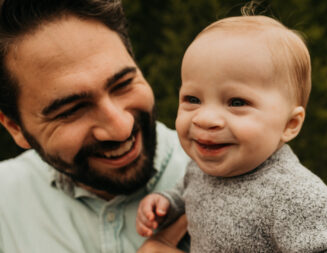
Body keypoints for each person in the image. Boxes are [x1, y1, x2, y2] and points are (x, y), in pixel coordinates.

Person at [136, 15, 327, 252]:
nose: (205, 119)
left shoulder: (290, 193)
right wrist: (169, 202)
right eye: (193, 99)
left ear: (289, 124)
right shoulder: (203, 165)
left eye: (237, 102)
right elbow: (191, 186)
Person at [0, 0, 189, 252]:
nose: (121, 128)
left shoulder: (241, 174)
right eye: (71, 110)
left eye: (123, 84)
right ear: (15, 127)